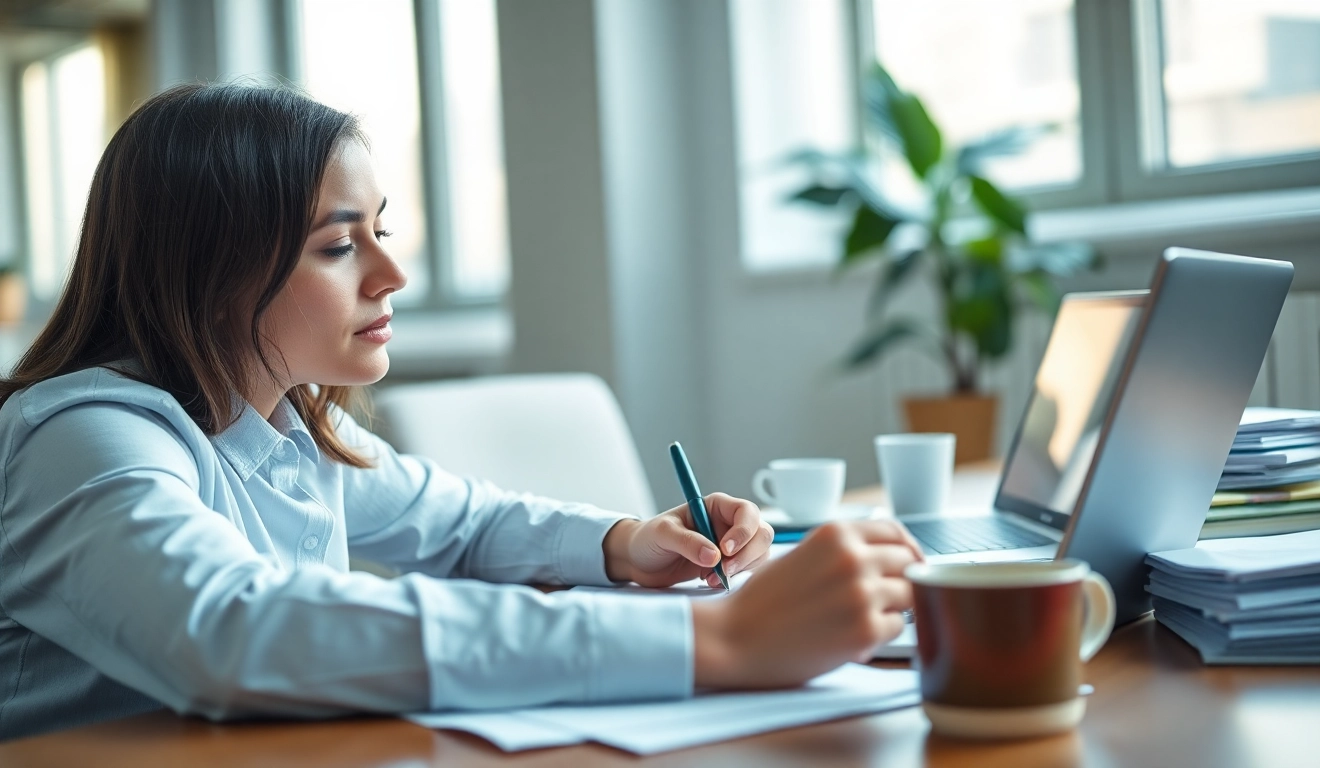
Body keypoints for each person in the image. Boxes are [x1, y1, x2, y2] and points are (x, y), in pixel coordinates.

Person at [0, 83, 921, 741]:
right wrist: (717, 637)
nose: (392, 274)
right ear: (207, 270)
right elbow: (236, 632)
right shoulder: (83, 437)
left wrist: (626, 541)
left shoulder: (290, 427)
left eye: (381, 230)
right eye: (337, 244)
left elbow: (464, 524)